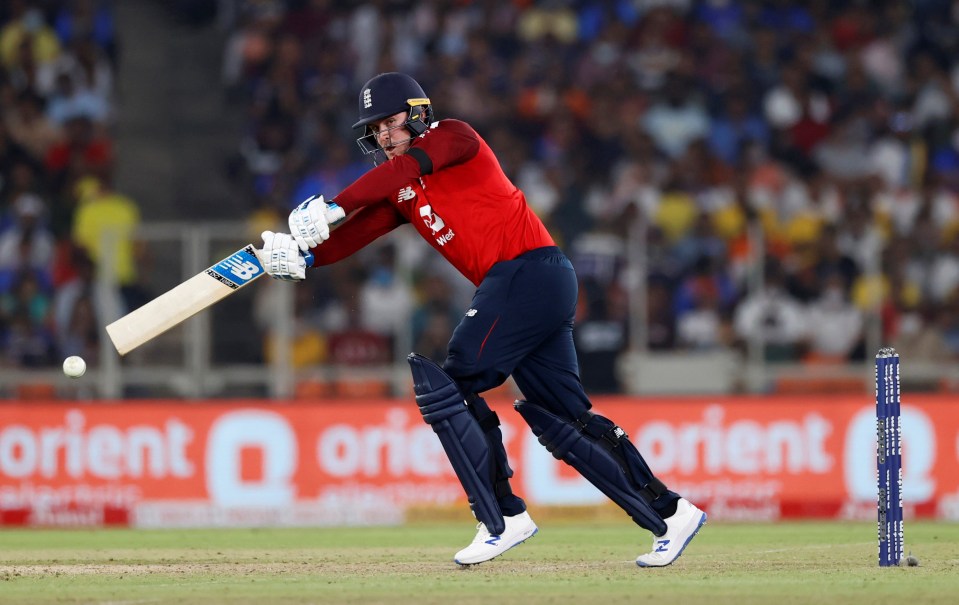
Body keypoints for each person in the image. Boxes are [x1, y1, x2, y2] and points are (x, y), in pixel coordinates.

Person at [258, 72, 707, 567]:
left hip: (526, 272)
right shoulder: (401, 188)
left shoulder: (454, 136)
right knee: (563, 417)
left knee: (451, 383)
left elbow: (387, 181)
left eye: (390, 123)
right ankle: (671, 513)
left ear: (418, 112)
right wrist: (305, 259)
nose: (383, 136)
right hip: (535, 285)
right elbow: (356, 234)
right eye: (376, 129)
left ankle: (501, 516)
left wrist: (335, 204)